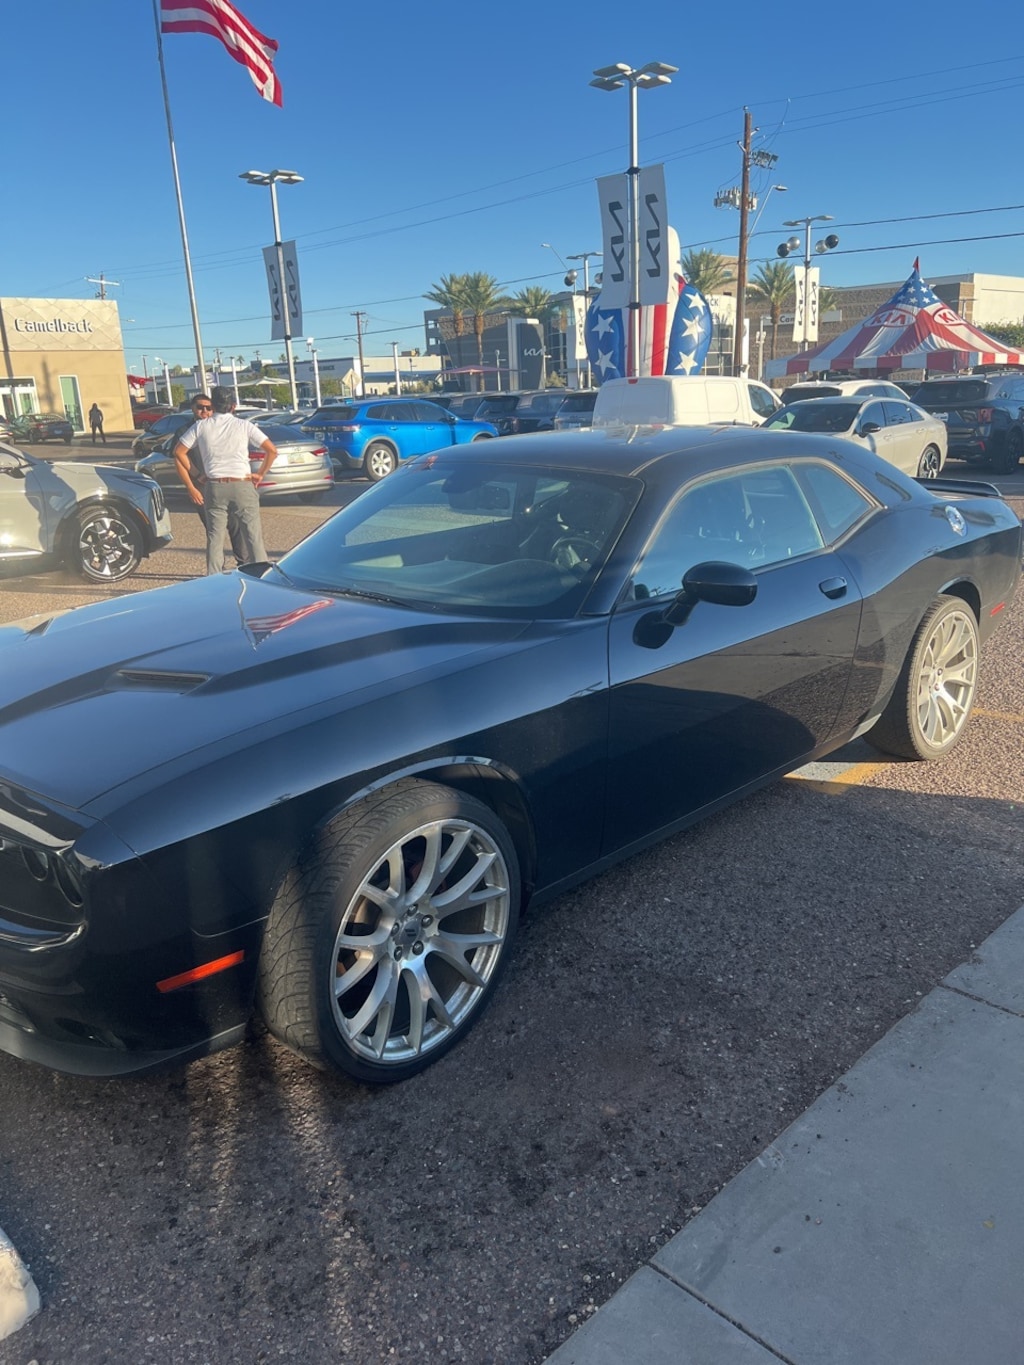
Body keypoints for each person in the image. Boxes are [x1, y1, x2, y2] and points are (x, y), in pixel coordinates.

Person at [173, 386, 276, 575]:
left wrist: (197, 474)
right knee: (252, 534)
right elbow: (271, 450)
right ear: (233, 406)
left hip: (214, 484)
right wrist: (260, 473)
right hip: (242, 482)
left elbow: (179, 452)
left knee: (215, 536)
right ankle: (261, 575)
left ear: (213, 405)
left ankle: (213, 577)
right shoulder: (243, 425)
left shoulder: (201, 426)